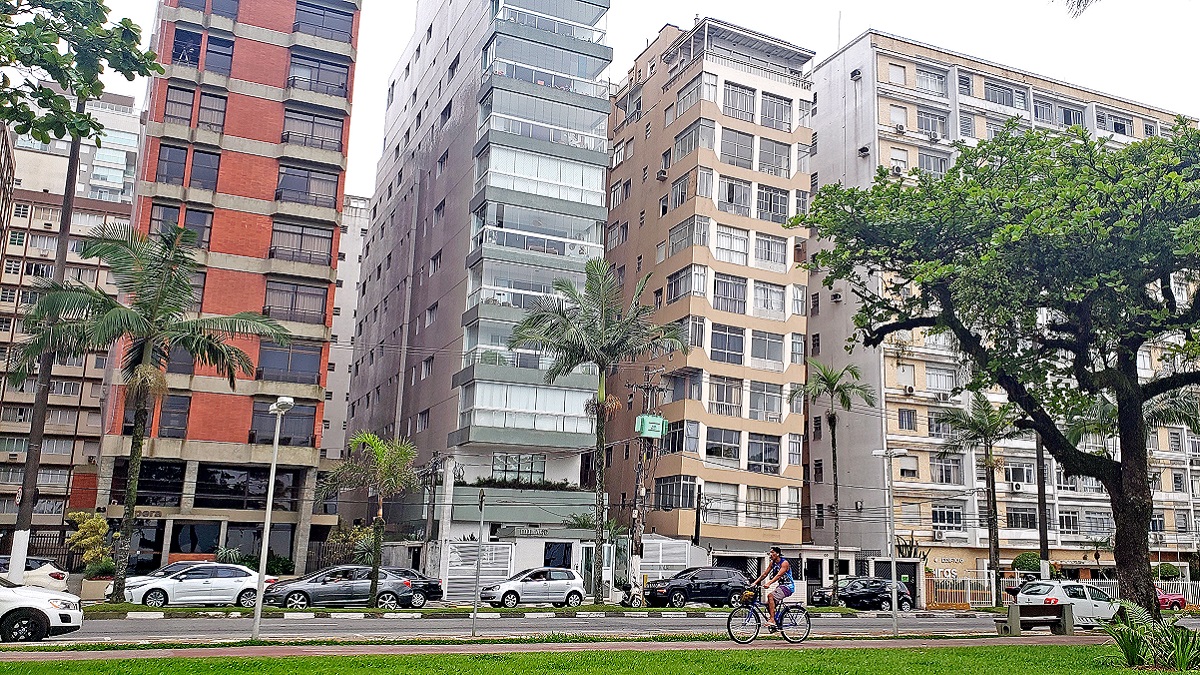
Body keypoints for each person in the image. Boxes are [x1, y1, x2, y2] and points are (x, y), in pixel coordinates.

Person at [751, 546, 794, 628]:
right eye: (770, 552)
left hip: (788, 587)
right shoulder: (773, 563)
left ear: (777, 554)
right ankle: (775, 623)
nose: (770, 554)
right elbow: (765, 574)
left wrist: (769, 583)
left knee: (770, 596)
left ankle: (772, 620)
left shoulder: (784, 563)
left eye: (772, 552)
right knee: (768, 604)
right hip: (781, 586)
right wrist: (755, 583)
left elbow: (779, 575)